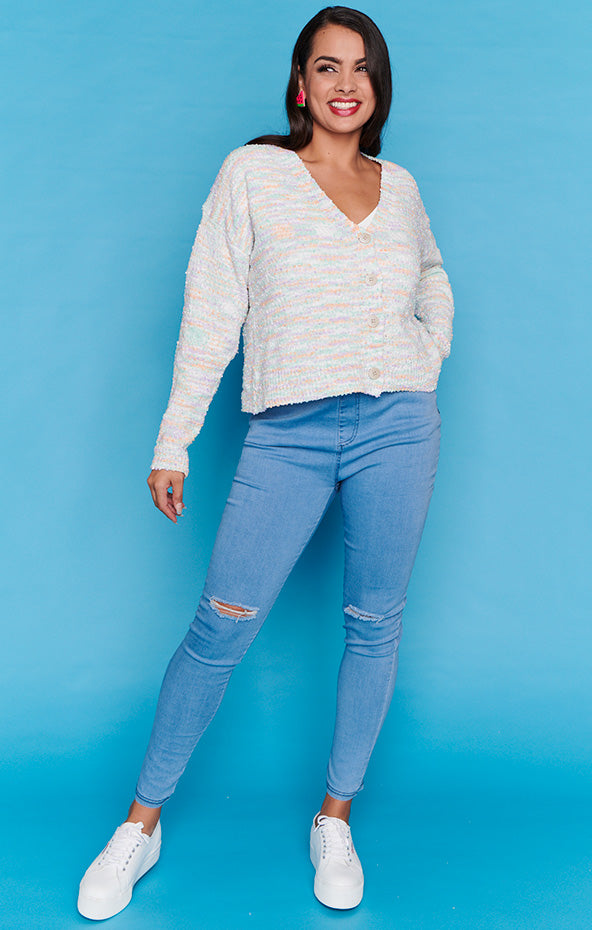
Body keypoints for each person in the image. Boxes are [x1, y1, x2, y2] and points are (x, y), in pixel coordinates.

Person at [77, 4, 454, 920]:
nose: (345, 84)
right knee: (221, 626)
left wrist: (428, 350)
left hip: (398, 426)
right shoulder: (253, 174)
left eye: (361, 68)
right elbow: (212, 309)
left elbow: (431, 275)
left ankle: (336, 817)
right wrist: (174, 439)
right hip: (288, 432)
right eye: (327, 66)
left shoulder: (400, 186)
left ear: (378, 87)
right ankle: (140, 825)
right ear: (300, 84)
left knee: (374, 624)